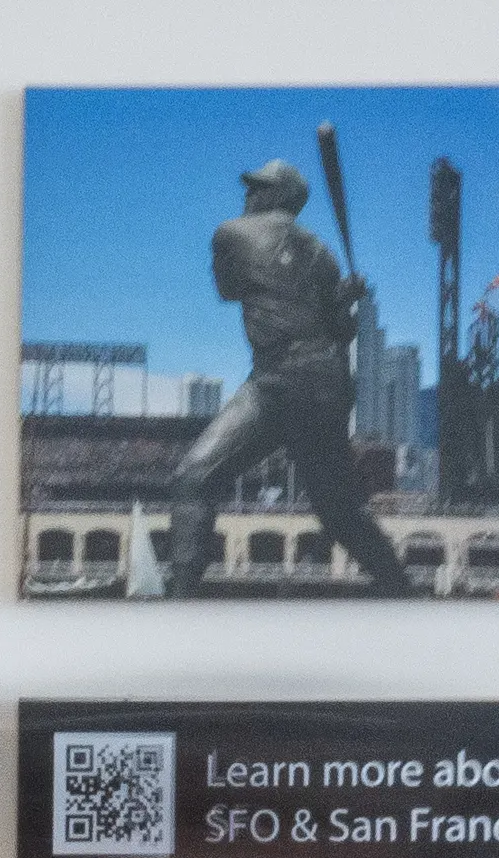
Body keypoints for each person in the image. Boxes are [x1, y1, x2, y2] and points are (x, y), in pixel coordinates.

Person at [157, 157, 411, 595]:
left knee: (194, 478)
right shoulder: (324, 255)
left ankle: (179, 604)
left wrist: (330, 300)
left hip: (280, 381)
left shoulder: (232, 232)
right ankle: (404, 594)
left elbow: (227, 290)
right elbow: (341, 332)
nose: (249, 195)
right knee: (340, 513)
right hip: (329, 386)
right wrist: (344, 299)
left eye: (257, 188)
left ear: (279, 196)